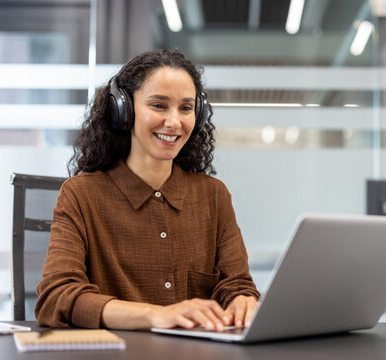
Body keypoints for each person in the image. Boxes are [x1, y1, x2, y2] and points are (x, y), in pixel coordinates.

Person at [35, 49, 260, 331]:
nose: (174, 122)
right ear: (123, 111)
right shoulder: (81, 195)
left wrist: (242, 300)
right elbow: (56, 298)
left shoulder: (213, 196)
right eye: (158, 105)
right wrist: (154, 315)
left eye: (186, 108)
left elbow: (235, 284)